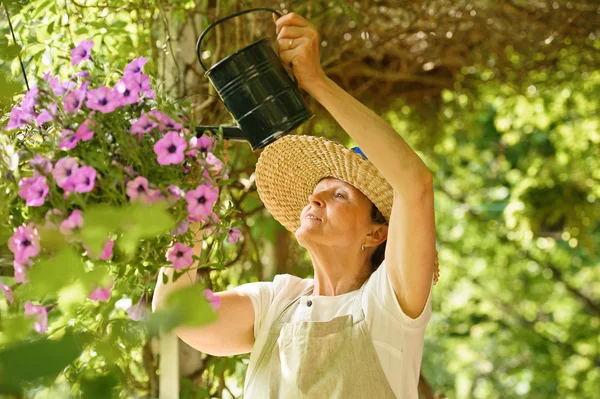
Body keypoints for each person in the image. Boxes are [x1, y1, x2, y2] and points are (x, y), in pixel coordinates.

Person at [152, 11, 440, 399]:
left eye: (340, 195)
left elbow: (415, 185)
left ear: (377, 231)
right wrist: (195, 208)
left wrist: (316, 82)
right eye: (317, 190)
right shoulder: (278, 303)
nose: (315, 198)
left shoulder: (388, 305)